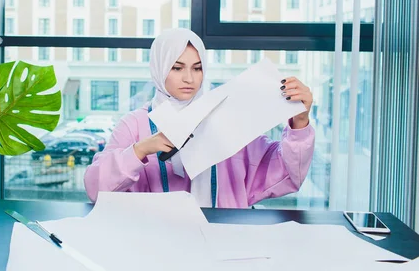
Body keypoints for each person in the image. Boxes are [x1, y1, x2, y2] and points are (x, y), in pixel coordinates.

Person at [83, 28, 315, 208]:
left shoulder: (226, 117)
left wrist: (299, 121)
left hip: (224, 239)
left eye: (197, 68)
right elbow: (96, 189)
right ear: (159, 67)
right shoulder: (135, 124)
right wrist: (141, 149)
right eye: (177, 68)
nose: (189, 78)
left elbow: (285, 173)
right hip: (153, 242)